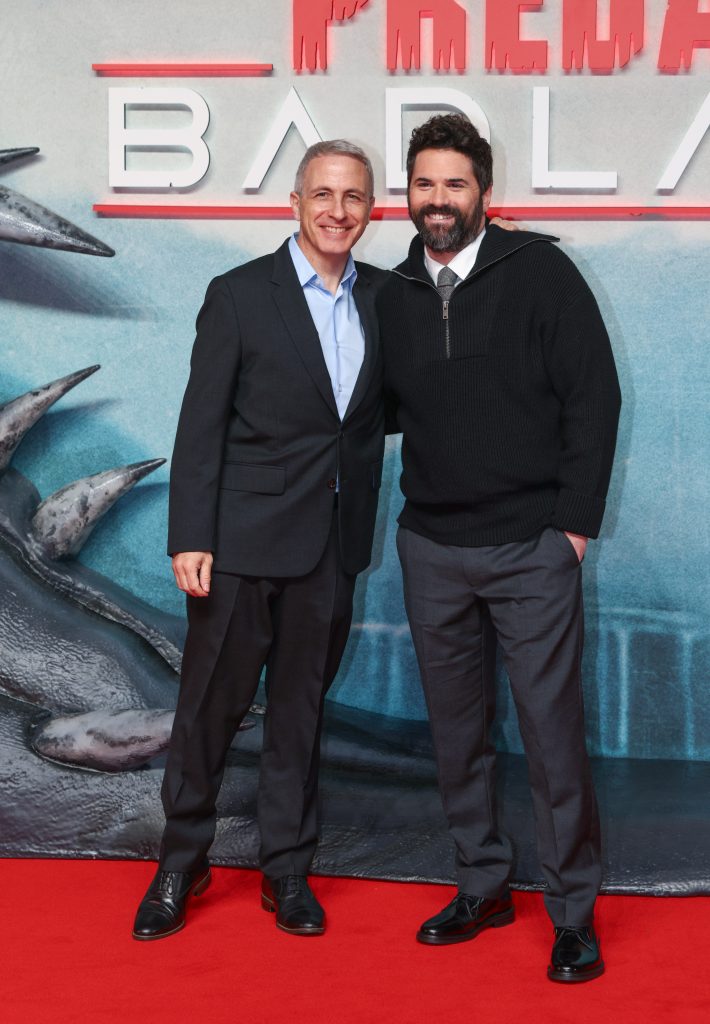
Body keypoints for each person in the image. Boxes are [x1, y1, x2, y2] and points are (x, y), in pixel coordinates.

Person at [377, 114, 621, 982]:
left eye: (454, 184)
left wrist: (574, 529)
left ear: (484, 192)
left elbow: (594, 398)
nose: (437, 200)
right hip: (432, 549)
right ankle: (481, 883)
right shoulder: (389, 291)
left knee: (553, 738)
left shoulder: (542, 273)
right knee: (456, 735)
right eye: (423, 185)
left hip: (531, 548)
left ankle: (573, 913)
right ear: (406, 196)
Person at [133, 140, 387, 941]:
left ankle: (287, 871)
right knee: (209, 709)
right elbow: (200, 420)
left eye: (352, 197)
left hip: (333, 545)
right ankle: (180, 861)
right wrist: (190, 534)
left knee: (300, 714)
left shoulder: (389, 298)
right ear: (295, 202)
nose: (337, 210)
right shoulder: (240, 293)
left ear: (370, 209)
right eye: (323, 194)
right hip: (238, 543)